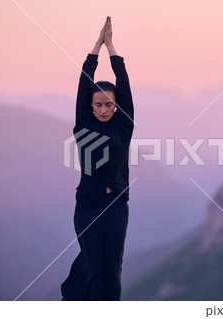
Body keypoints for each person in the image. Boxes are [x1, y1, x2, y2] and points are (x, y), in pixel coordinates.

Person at [60, 16, 134, 301]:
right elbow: (83, 83)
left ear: (116, 106)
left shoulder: (123, 125)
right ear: (90, 106)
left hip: (116, 207)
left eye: (109, 105)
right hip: (88, 207)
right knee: (93, 267)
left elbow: (124, 86)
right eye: (98, 105)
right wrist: (96, 48)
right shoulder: (84, 124)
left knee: (112, 270)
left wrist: (113, 49)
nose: (104, 109)